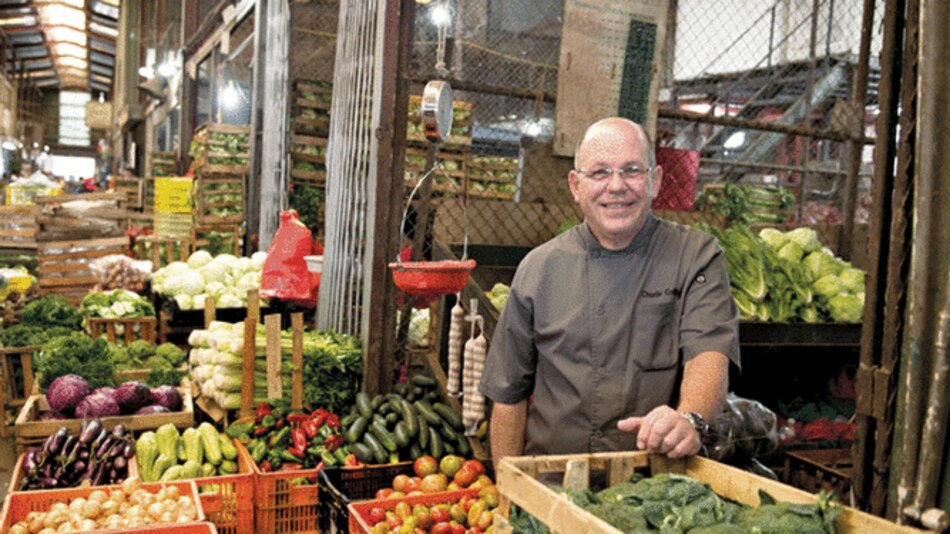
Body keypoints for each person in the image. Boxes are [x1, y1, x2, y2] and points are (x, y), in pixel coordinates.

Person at [479, 117, 740, 467]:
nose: (616, 186)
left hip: (649, 488)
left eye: (632, 170)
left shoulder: (695, 257)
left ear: (656, 180)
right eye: (599, 173)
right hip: (550, 484)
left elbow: (708, 356)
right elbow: (508, 395)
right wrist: (508, 498)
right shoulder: (538, 268)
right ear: (575, 185)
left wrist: (689, 419)